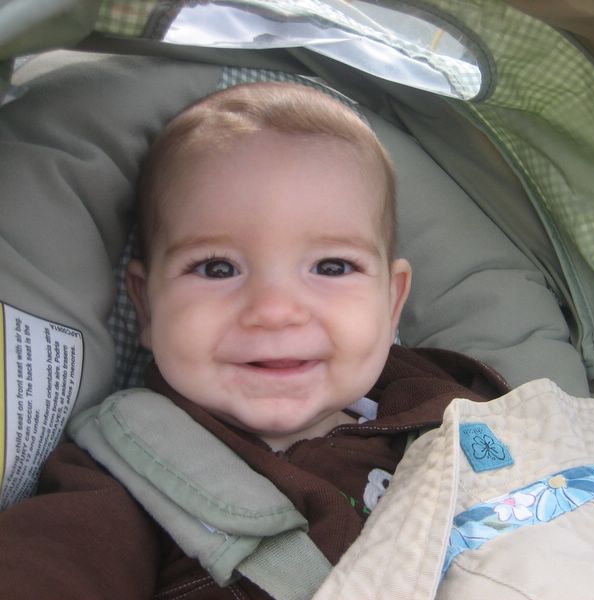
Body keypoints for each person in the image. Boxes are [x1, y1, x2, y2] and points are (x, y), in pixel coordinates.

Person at [0, 81, 511, 599]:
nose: (274, 311)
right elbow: (51, 561)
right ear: (148, 307)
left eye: (332, 266)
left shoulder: (447, 405)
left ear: (391, 302)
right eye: (217, 268)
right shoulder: (128, 472)